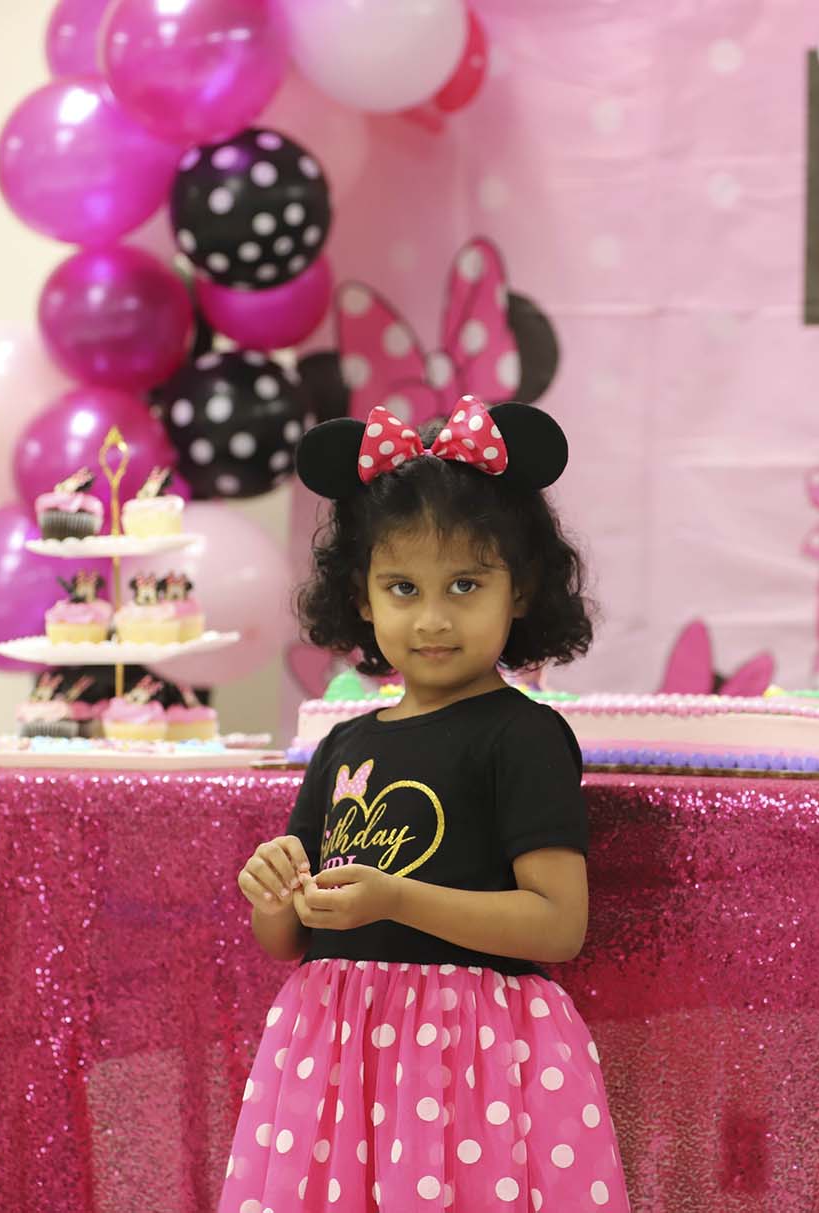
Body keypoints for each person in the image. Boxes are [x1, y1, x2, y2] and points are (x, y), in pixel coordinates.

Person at [219, 397, 631, 1211]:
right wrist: (274, 894)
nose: (433, 618)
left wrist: (398, 898)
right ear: (362, 596)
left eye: (466, 584)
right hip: (336, 1060)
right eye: (403, 587)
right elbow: (292, 937)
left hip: (473, 1063)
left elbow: (559, 924)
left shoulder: (523, 736)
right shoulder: (343, 745)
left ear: (521, 589)